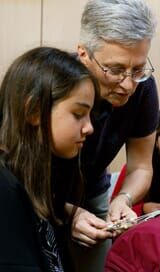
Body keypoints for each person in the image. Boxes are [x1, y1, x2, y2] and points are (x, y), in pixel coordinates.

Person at [61, 0, 159, 271]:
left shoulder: (143, 88)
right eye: (115, 70)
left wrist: (123, 198)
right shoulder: (55, 83)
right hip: (36, 192)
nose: (128, 85)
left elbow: (141, 166)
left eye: (138, 69)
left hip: (91, 193)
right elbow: (19, 175)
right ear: (83, 53)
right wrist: (67, 212)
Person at [0, 47, 98, 271]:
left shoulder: (39, 179)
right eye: (78, 114)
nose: (89, 127)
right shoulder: (4, 188)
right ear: (34, 110)